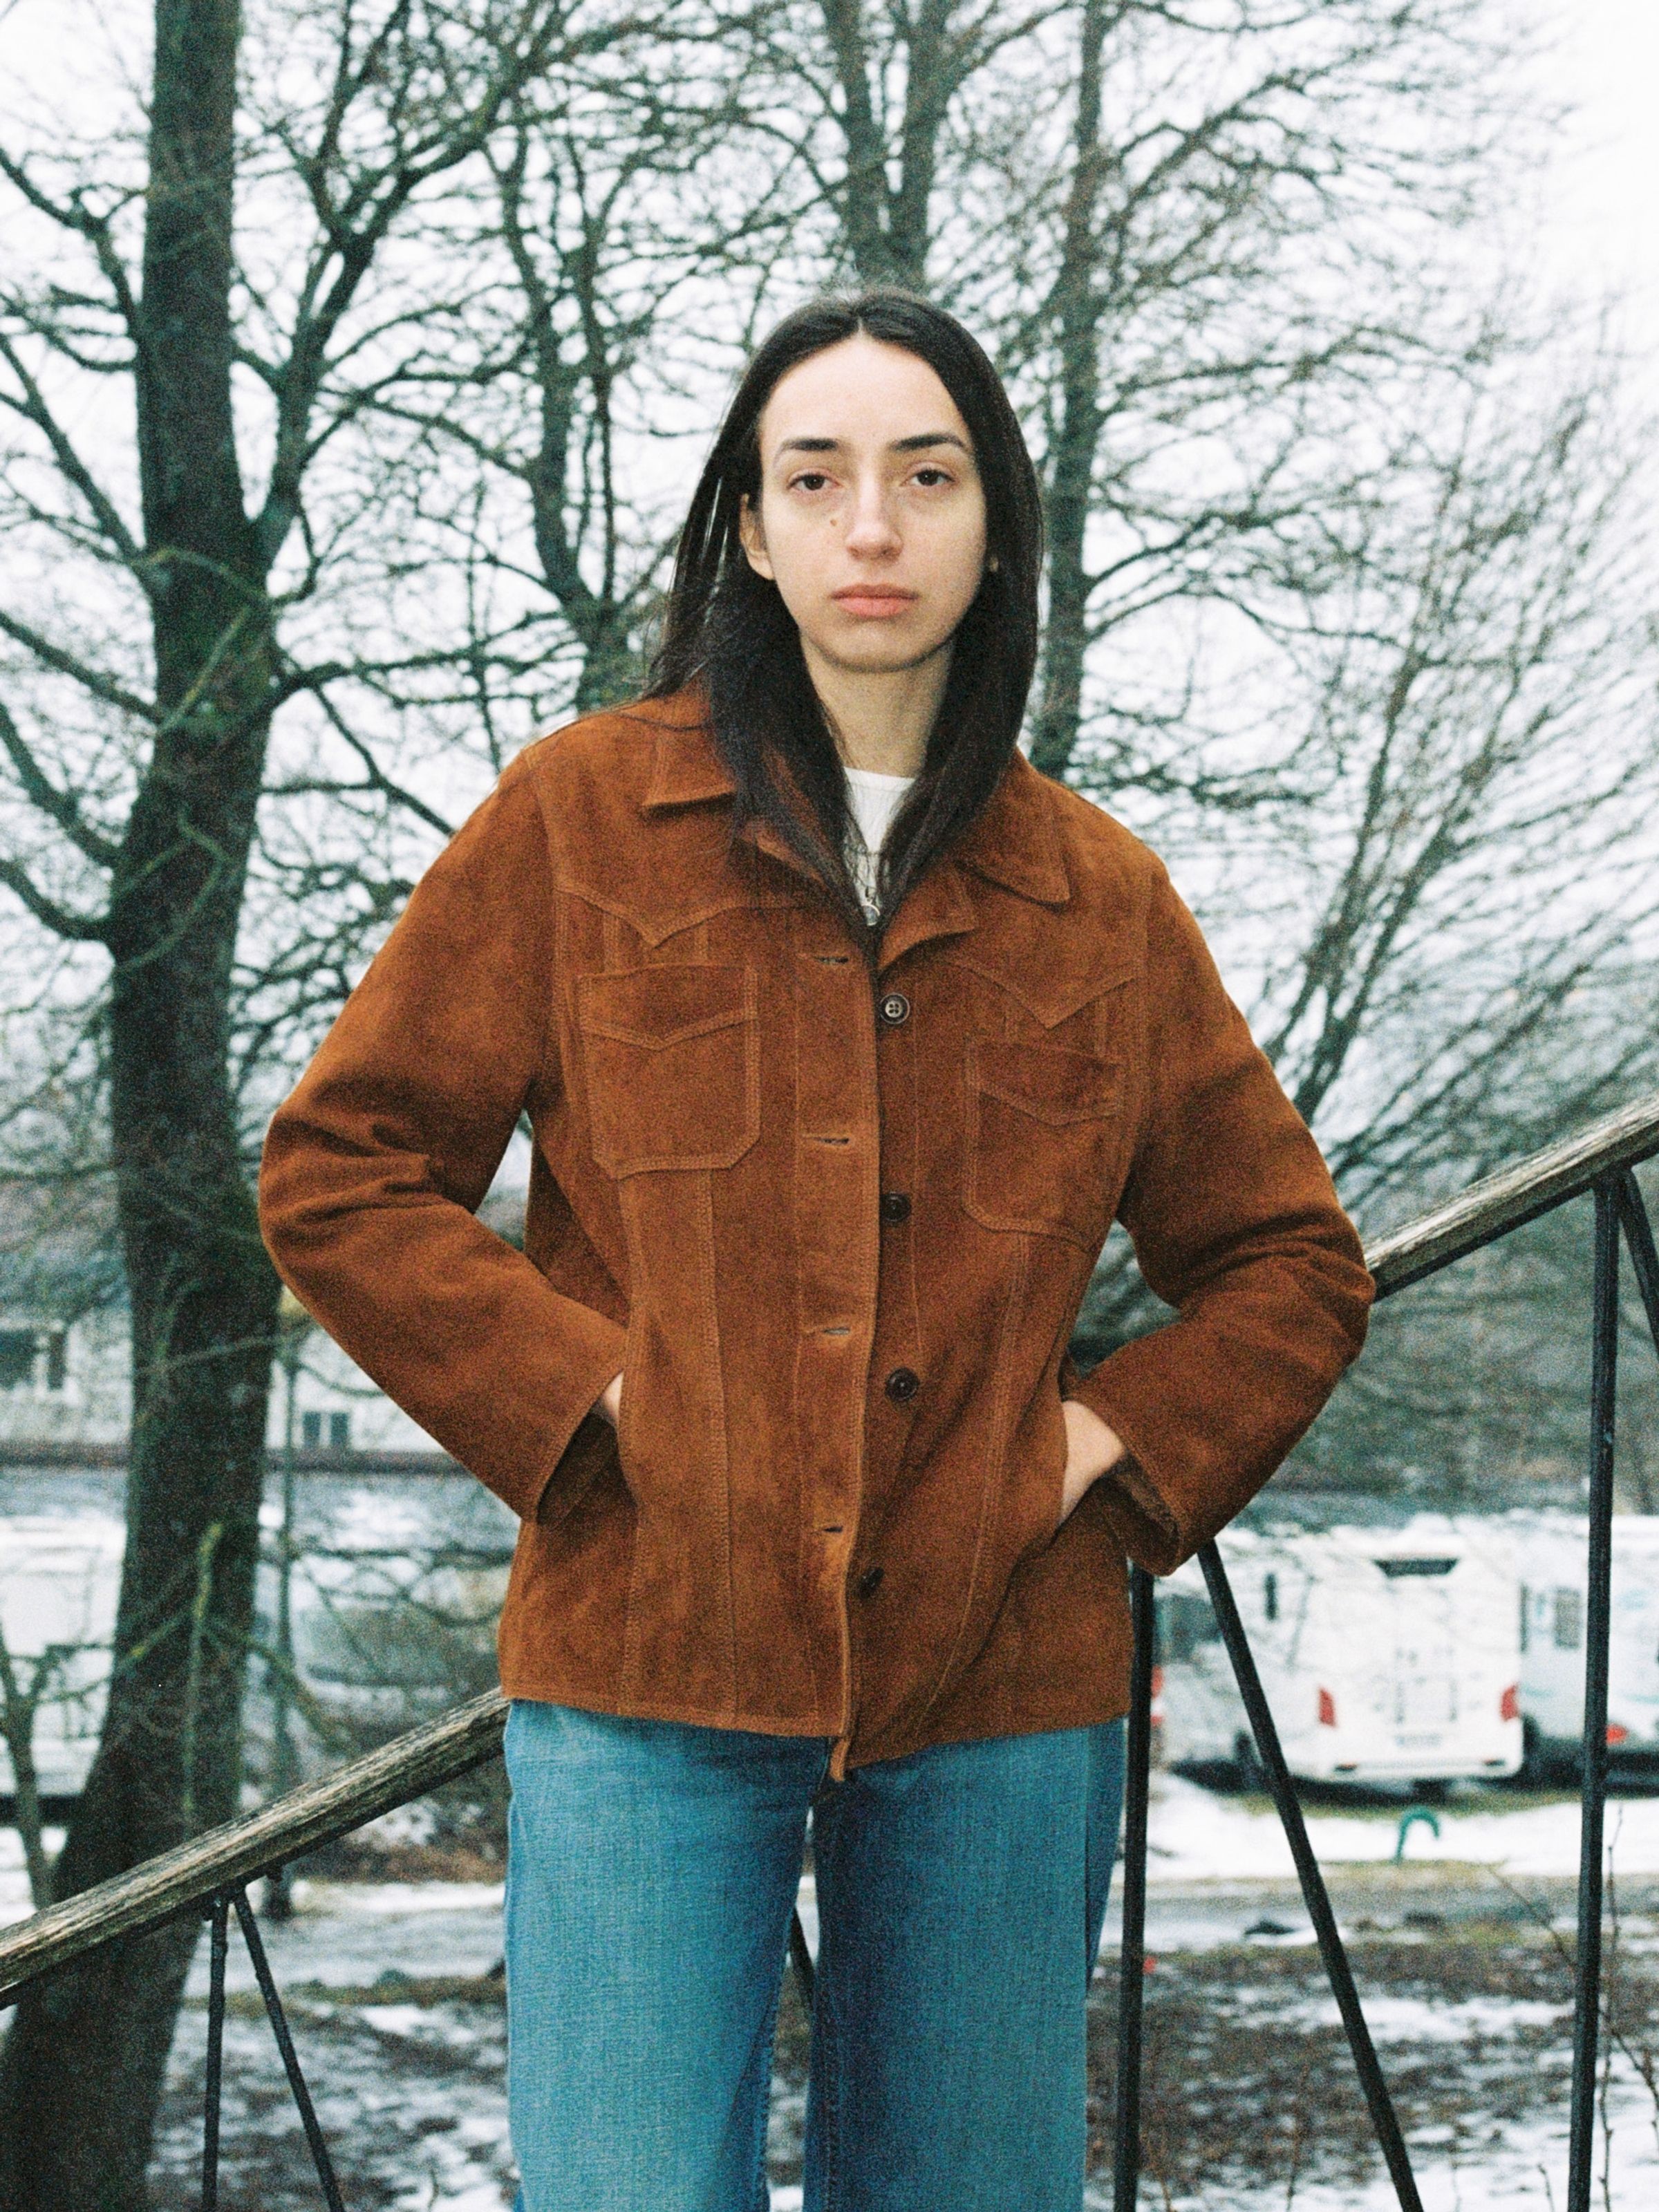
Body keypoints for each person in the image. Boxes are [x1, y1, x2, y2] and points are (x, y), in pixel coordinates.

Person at [259, 290, 1374, 2212]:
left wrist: (1103, 1452)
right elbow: (343, 1167)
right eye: (818, 477)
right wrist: (595, 1404)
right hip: (645, 1653)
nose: (873, 526)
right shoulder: (583, 819)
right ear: (752, 530)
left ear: (996, 524)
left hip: (1003, 1680)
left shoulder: (1095, 896)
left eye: (926, 476)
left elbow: (1291, 1262)